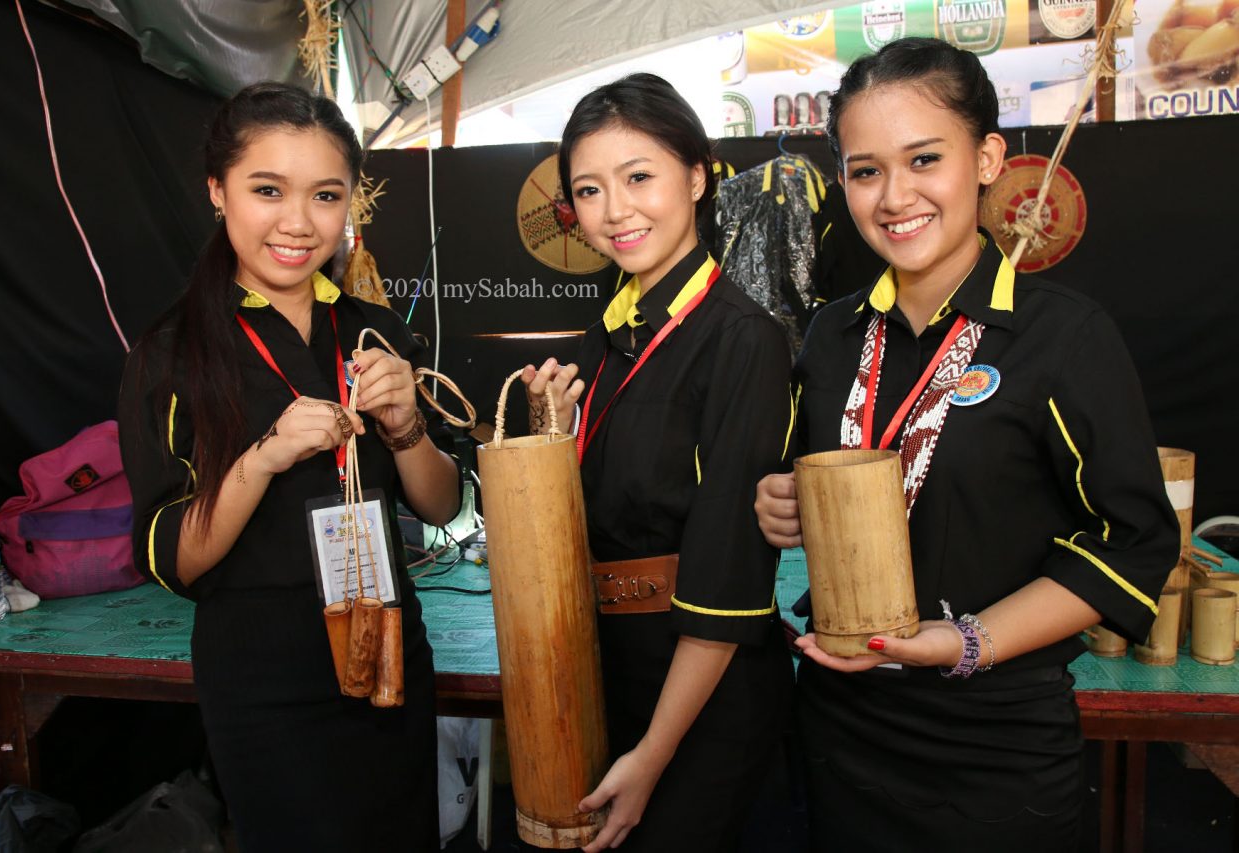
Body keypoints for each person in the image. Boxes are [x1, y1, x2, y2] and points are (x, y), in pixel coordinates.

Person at [753, 38, 1177, 850]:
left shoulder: (1061, 337)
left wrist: (964, 640)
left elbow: (1137, 543)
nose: (893, 195)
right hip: (843, 728)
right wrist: (778, 502)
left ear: (986, 158)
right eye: (865, 169)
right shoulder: (832, 336)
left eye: (923, 159)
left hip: (996, 747)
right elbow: (816, 490)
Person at [118, 82, 458, 852]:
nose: (299, 223)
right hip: (261, 673)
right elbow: (177, 561)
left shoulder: (375, 330)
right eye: (267, 189)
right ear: (217, 190)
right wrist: (263, 458)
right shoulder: (173, 354)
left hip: (388, 650)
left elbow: (443, 508)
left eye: (326, 195)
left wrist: (406, 430)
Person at [521, 73, 794, 852]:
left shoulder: (743, 338)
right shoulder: (604, 336)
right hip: (610, 669)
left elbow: (726, 569)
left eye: (639, 176)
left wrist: (654, 754)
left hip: (702, 695)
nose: (617, 210)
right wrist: (555, 442)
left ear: (698, 174)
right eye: (590, 189)